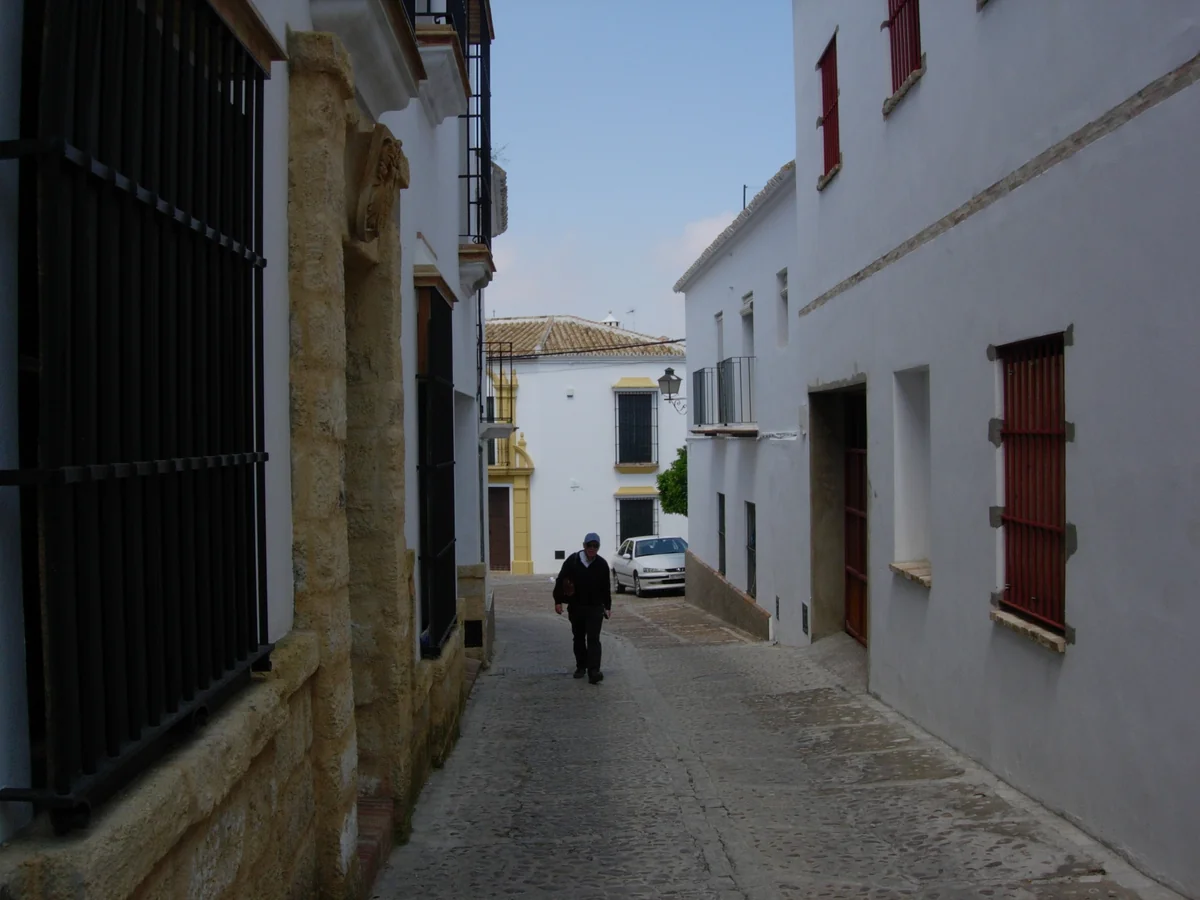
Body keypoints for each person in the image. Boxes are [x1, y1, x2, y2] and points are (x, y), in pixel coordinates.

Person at [553, 532, 612, 684]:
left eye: (595, 546)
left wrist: (608, 606)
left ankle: (594, 671)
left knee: (593, 638)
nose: (592, 548)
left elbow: (606, 587)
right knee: (578, 638)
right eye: (589, 545)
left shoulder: (602, 564)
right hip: (576, 606)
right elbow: (560, 580)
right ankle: (581, 667)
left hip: (595, 607)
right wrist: (558, 601)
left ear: (598, 547)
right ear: (584, 546)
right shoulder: (573, 561)